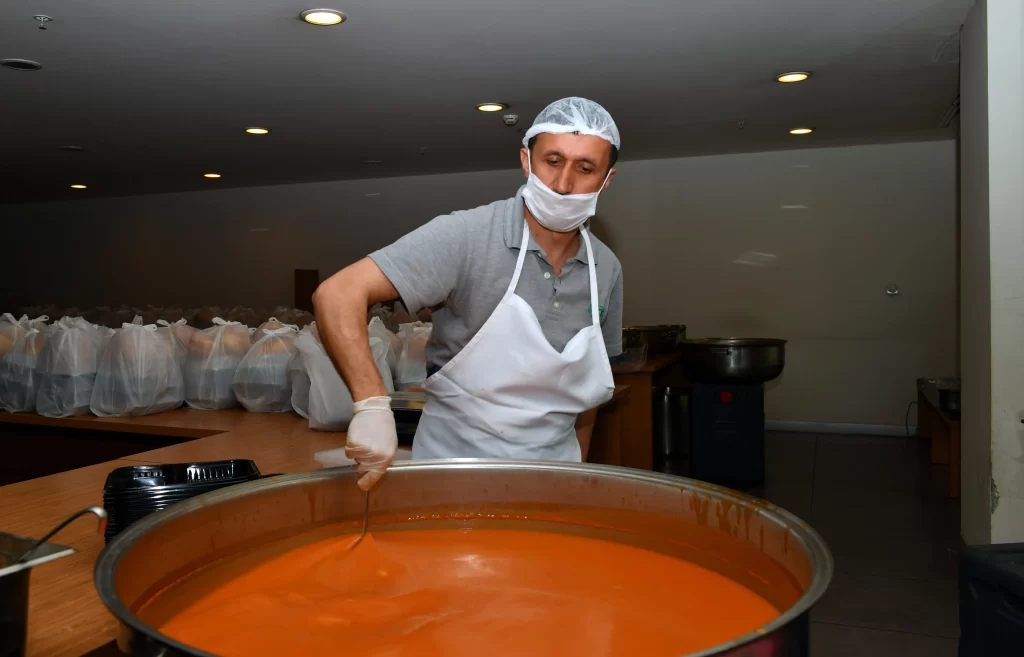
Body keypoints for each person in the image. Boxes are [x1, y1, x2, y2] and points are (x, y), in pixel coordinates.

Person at [313, 97, 624, 490]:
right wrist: (372, 406)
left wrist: (576, 471)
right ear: (527, 161)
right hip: (453, 472)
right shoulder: (468, 236)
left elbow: (589, 398)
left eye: (585, 168)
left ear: (606, 179)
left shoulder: (606, 269)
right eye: (552, 161)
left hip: (553, 478)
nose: (563, 184)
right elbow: (337, 293)